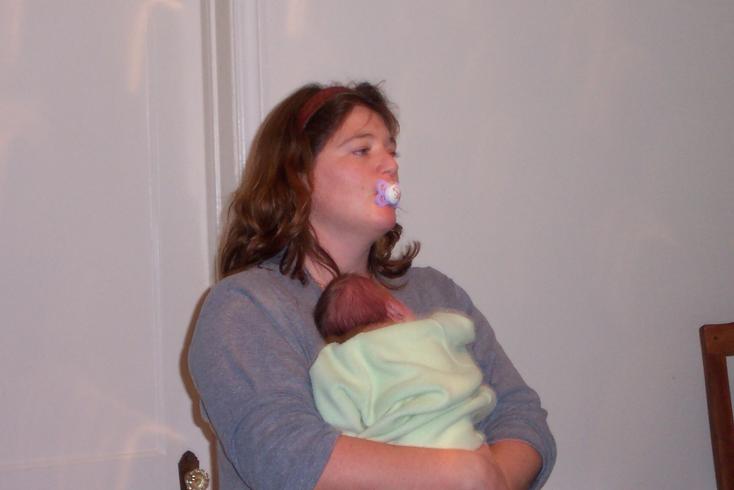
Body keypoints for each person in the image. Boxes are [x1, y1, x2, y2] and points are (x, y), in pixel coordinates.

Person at [188, 81, 556, 489]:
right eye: (362, 150)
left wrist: (493, 481)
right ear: (298, 175)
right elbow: (286, 456)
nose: (390, 165)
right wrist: (462, 473)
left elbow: (522, 416)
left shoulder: (437, 293)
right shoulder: (245, 308)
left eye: (391, 150)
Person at [311, 273, 497, 450]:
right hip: (459, 438)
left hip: (398, 451)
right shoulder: (432, 329)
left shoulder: (342, 359)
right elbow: (465, 328)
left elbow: (338, 417)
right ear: (395, 310)